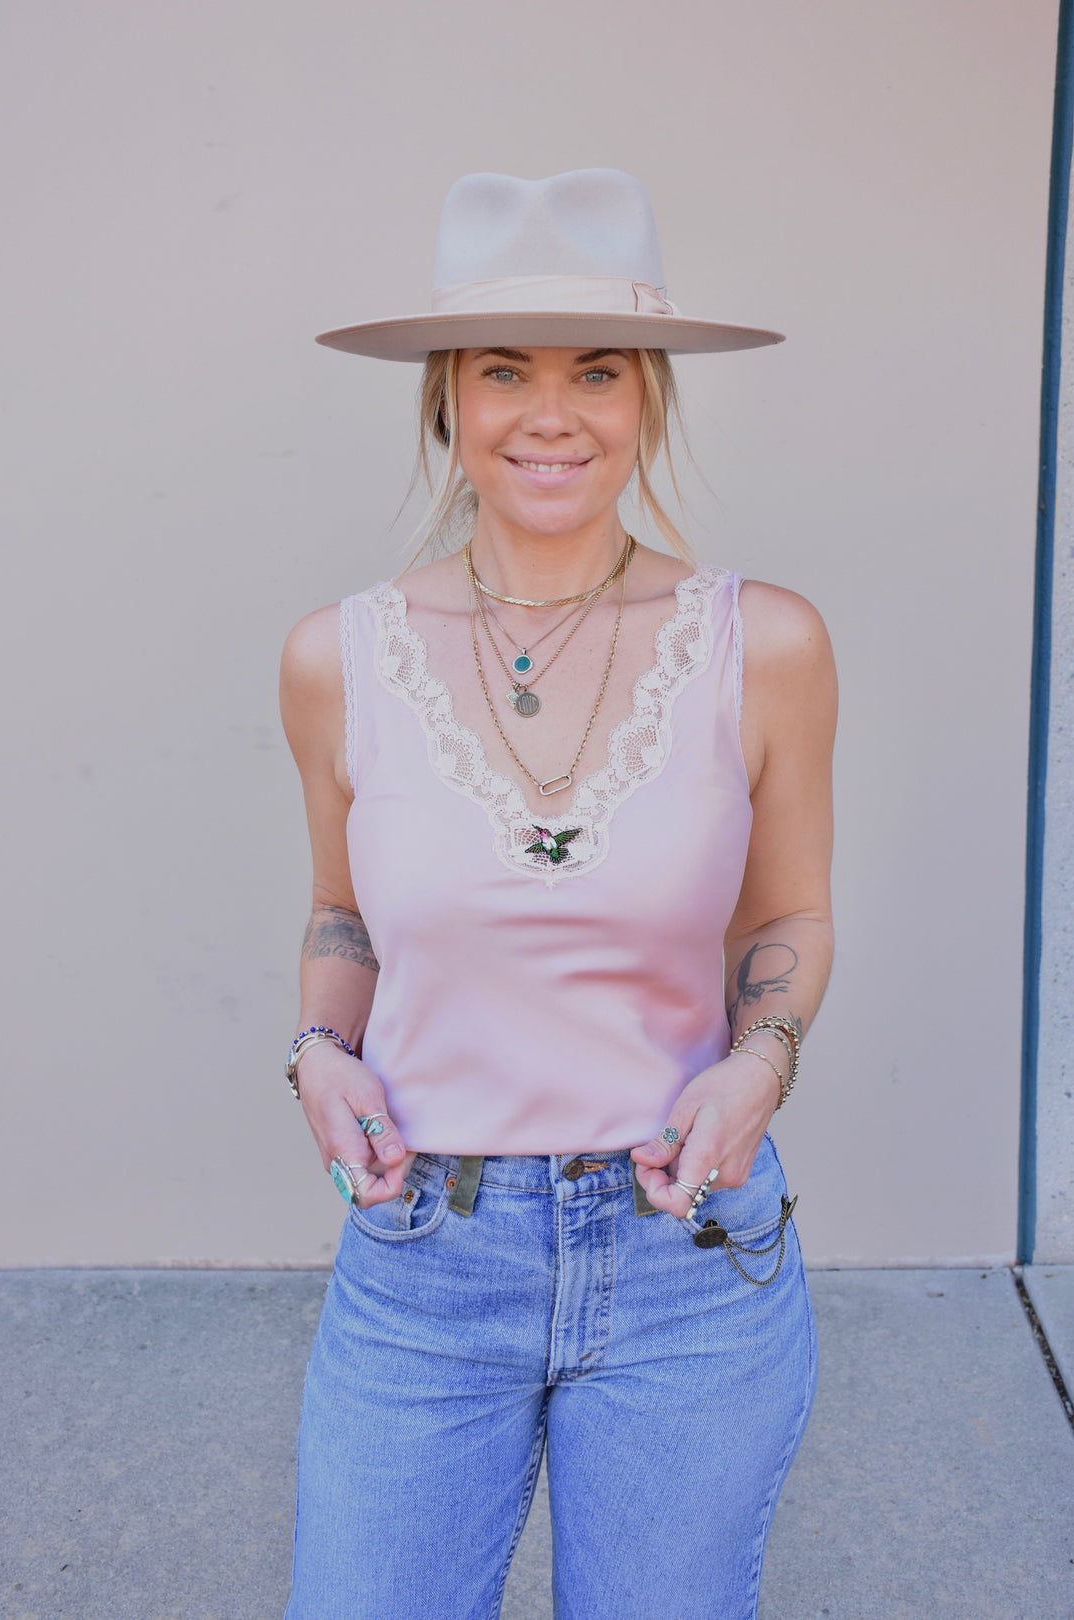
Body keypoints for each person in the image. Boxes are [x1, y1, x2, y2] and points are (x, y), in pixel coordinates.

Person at [279, 169, 836, 1620]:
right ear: (446, 402)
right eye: (503, 370)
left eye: (597, 369)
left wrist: (761, 1064)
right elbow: (343, 915)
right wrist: (320, 1053)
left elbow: (786, 916)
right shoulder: (338, 658)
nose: (551, 412)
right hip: (425, 1258)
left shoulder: (764, 644)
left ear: (647, 399)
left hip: (684, 1250)